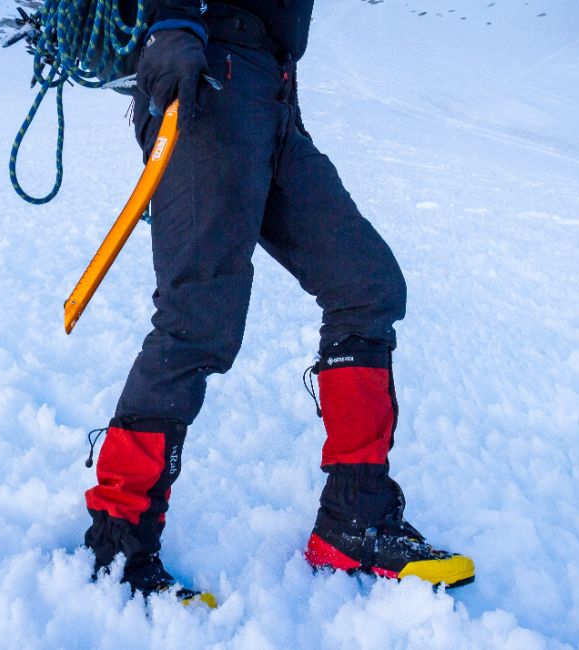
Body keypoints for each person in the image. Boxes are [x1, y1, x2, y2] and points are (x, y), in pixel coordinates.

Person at [83, 0, 475, 600]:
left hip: (272, 90)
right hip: (207, 70)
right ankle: (117, 543)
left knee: (365, 284)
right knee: (197, 319)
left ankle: (354, 519)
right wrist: (169, 23)